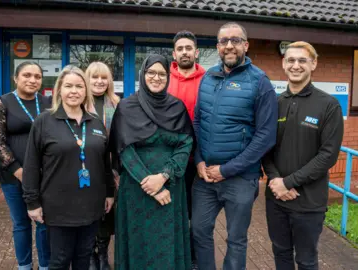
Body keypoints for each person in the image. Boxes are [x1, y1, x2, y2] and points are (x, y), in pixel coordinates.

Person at [191, 22, 278, 270]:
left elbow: (266, 136)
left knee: (236, 240)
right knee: (199, 230)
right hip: (205, 177)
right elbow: (198, 121)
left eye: (235, 40)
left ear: (246, 45)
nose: (229, 45)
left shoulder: (260, 82)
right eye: (224, 41)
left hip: (240, 178)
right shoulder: (208, 78)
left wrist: (226, 170)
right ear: (218, 47)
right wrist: (198, 159)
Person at [22, 65, 115, 270]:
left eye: (79, 86)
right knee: (60, 260)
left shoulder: (96, 123)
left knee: (83, 258)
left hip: (91, 205)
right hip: (58, 207)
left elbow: (105, 164)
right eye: (68, 86)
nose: (74, 91)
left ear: (86, 91)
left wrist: (109, 193)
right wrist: (32, 202)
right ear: (59, 90)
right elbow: (31, 165)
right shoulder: (44, 121)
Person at [263, 41, 344, 270]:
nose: (295, 65)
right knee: (281, 254)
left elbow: (328, 155)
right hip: (276, 200)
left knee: (307, 261)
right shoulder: (275, 104)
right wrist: (275, 181)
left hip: (309, 203)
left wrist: (288, 182)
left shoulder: (328, 105)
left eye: (302, 60)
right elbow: (265, 149)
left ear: (313, 64)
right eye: (291, 60)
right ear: (283, 64)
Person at [110, 54, 194, 270]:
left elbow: (186, 143)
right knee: (138, 242)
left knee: (168, 241)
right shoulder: (126, 107)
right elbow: (124, 150)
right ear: (143, 74)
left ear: (168, 77)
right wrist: (152, 186)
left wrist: (164, 176)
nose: (156, 78)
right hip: (137, 188)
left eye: (162, 74)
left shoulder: (177, 107)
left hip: (171, 185)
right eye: (151, 72)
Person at [0, 61, 51, 270]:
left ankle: (45, 265)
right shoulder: (1, 103)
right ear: (16, 78)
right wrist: (18, 170)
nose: (32, 80)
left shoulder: (47, 102)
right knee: (21, 223)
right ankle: (24, 265)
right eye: (27, 75)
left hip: (44, 174)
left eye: (37, 76)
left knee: (44, 222)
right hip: (12, 174)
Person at [167, 30, 206, 269]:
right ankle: (171, 253)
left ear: (196, 52)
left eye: (188, 48)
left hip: (197, 159)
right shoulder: (164, 79)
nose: (184, 52)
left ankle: (191, 257)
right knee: (170, 209)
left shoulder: (209, 80)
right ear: (174, 53)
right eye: (180, 48)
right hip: (169, 158)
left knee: (194, 212)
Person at [85, 61, 120, 270]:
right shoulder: (79, 103)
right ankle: (90, 256)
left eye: (103, 77)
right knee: (88, 212)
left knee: (107, 213)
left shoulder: (117, 104)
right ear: (87, 80)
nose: (99, 81)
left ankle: (103, 256)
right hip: (85, 167)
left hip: (110, 169)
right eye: (94, 77)